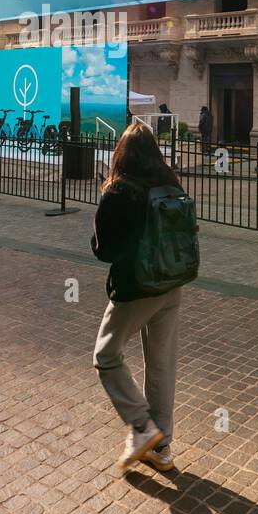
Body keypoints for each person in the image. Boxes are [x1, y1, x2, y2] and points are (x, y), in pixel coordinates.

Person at [91, 122, 189, 473]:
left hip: (137, 288)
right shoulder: (170, 184)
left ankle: (142, 426)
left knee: (106, 355)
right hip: (172, 285)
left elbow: (105, 250)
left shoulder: (120, 191)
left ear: (121, 153)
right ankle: (161, 448)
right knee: (162, 365)